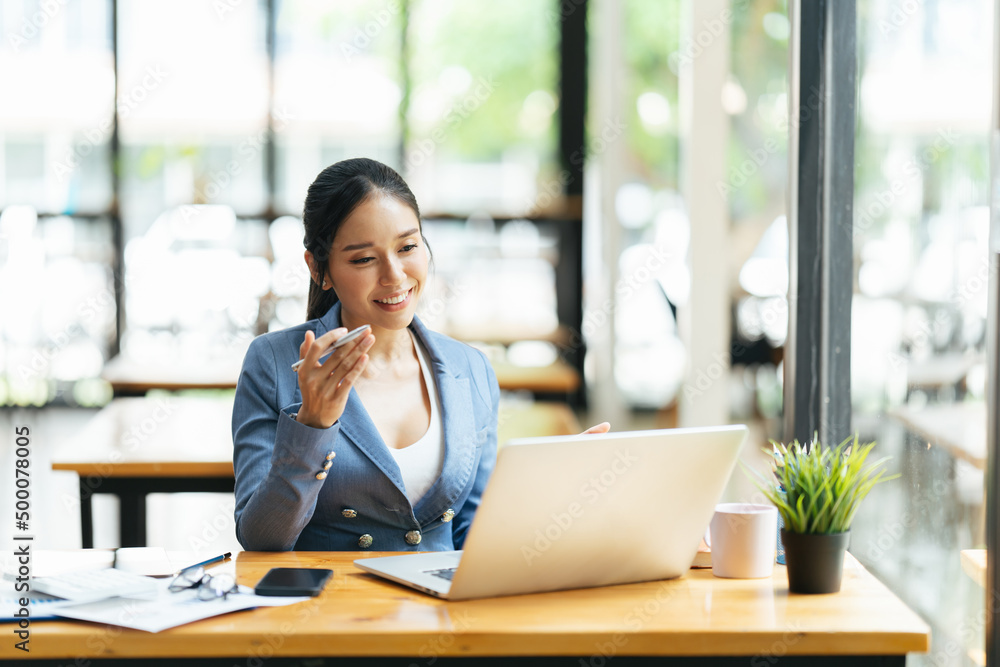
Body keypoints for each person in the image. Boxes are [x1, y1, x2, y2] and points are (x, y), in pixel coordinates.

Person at [233, 158, 607, 552]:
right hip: (332, 607)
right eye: (363, 259)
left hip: (440, 610)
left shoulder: (471, 368)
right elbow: (262, 539)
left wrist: (551, 491)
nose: (394, 275)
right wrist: (312, 425)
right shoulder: (273, 363)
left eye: (408, 247)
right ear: (318, 268)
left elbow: (471, 537)